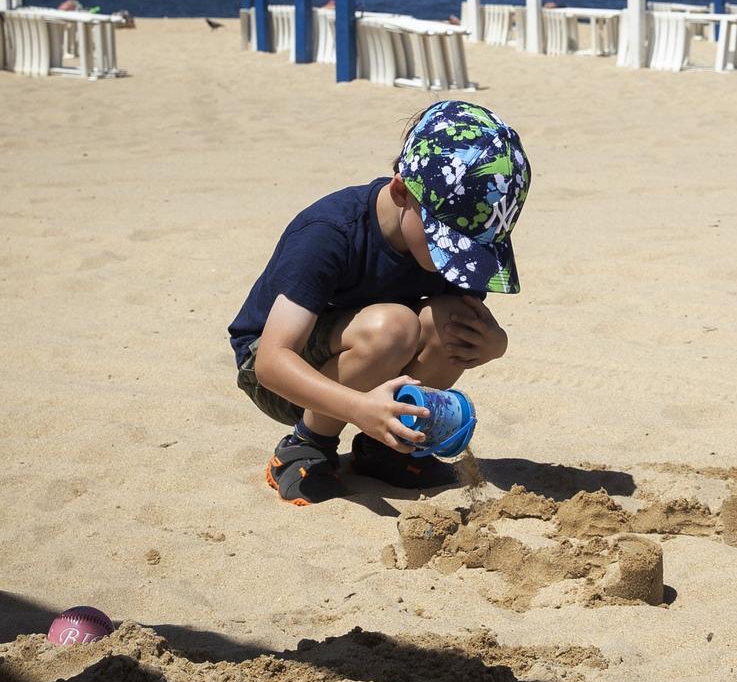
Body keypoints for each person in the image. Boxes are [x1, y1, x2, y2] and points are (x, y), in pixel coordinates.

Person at [226, 100, 529, 505]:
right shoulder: (329, 232)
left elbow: (457, 326)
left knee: (455, 321)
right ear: (402, 191)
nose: (454, 260)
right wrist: (357, 408)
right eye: (449, 241)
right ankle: (308, 443)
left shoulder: (449, 253)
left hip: (367, 357)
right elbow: (270, 361)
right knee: (393, 327)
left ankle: (386, 450)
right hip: (280, 371)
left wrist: (496, 344)